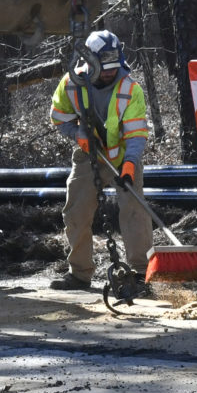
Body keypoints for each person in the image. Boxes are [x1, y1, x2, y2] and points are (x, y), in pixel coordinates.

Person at [48, 29, 150, 292]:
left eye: (113, 68)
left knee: (134, 211)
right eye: (104, 68)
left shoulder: (130, 89)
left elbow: (137, 135)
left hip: (124, 155)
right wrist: (79, 135)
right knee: (76, 212)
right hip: (88, 156)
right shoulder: (71, 84)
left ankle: (140, 274)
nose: (109, 73)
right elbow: (59, 117)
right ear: (89, 62)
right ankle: (79, 274)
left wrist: (128, 166)